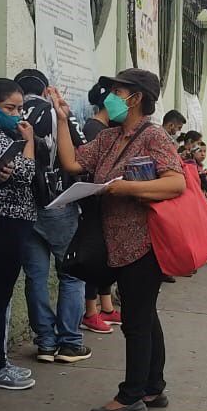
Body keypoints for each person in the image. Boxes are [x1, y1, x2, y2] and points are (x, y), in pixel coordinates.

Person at [50, 68, 185, 411]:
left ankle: (131, 397)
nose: (109, 96)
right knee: (144, 316)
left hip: (144, 243)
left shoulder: (153, 137)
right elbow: (72, 162)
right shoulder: (110, 138)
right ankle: (153, 387)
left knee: (136, 321)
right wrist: (62, 119)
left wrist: (126, 188)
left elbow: (175, 184)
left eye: (116, 91)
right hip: (116, 243)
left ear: (135, 97)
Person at [14, 69, 92, 364]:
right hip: (57, 202)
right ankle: (70, 342)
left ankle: (45, 342)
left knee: (35, 276)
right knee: (71, 274)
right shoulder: (54, 111)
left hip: (24, 206)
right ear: (46, 88)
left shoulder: (13, 111)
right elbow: (80, 150)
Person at [0, 78, 38, 391]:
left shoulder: (7, 133)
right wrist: (29, 142)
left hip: (17, 221)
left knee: (3, 294)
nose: (17, 114)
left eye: (20, 108)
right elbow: (25, 174)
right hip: (5, 220)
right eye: (9, 108)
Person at [81, 81, 122, 334]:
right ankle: (90, 310)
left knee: (106, 259)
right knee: (93, 259)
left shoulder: (106, 128)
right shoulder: (95, 129)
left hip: (104, 204)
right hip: (92, 201)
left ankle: (106, 307)